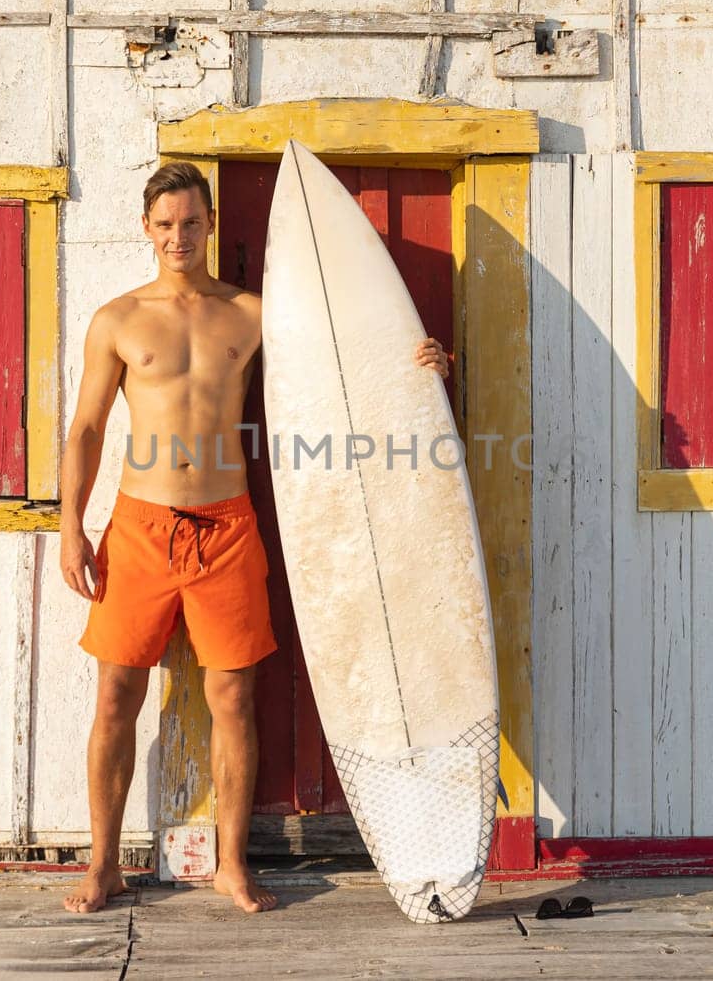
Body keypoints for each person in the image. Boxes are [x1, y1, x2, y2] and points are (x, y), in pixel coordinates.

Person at [58, 162, 451, 914]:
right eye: (165, 223)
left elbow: (343, 365)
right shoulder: (117, 319)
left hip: (228, 524)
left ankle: (230, 863)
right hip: (140, 525)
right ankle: (103, 864)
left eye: (192, 222)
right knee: (114, 693)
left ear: (211, 226)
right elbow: (85, 427)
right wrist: (70, 524)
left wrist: (425, 365)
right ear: (147, 228)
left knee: (234, 696)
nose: (179, 236)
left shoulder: (252, 314)